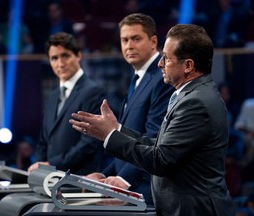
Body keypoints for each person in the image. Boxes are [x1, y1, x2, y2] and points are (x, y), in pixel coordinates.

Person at [70, 24, 235, 215]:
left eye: (166, 58)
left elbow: (160, 160)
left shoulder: (196, 102)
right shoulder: (191, 95)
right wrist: (117, 130)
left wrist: (110, 136)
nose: (160, 64)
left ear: (188, 65)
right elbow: (159, 145)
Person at [85, 13, 174, 205]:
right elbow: (129, 142)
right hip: (134, 187)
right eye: (124, 40)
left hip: (149, 191)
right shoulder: (137, 78)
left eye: (136, 38)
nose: (129, 45)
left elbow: (154, 140)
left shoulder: (162, 79)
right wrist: (104, 176)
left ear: (153, 41)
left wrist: (123, 180)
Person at [28, 32, 105, 175]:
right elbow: (43, 140)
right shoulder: (52, 96)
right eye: (54, 58)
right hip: (50, 179)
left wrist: (52, 165)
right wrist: (41, 167)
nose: (60, 63)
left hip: (80, 180)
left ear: (78, 55)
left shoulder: (92, 92)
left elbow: (88, 144)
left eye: (65, 56)